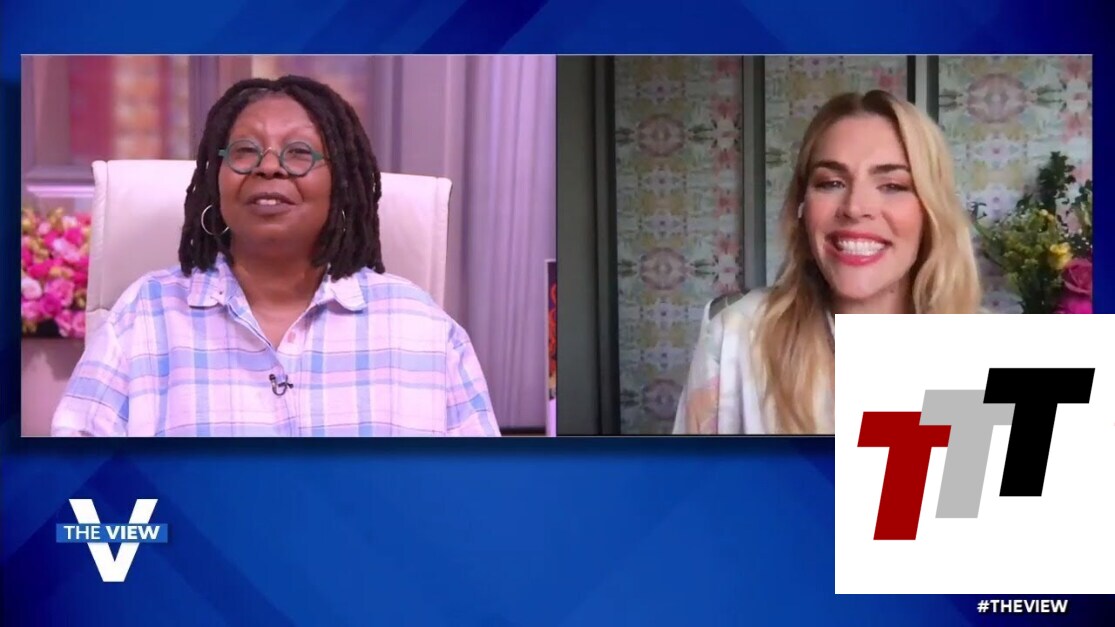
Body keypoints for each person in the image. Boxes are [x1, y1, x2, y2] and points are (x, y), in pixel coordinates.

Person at [53, 75, 500, 437]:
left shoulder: (423, 329)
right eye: (245, 151)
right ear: (216, 180)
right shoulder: (146, 316)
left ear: (341, 183)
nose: (268, 166)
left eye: (299, 153)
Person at [674, 90, 982, 435]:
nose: (855, 207)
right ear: (802, 207)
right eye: (831, 183)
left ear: (931, 210)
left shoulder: (989, 356)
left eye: (892, 185)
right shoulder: (735, 333)